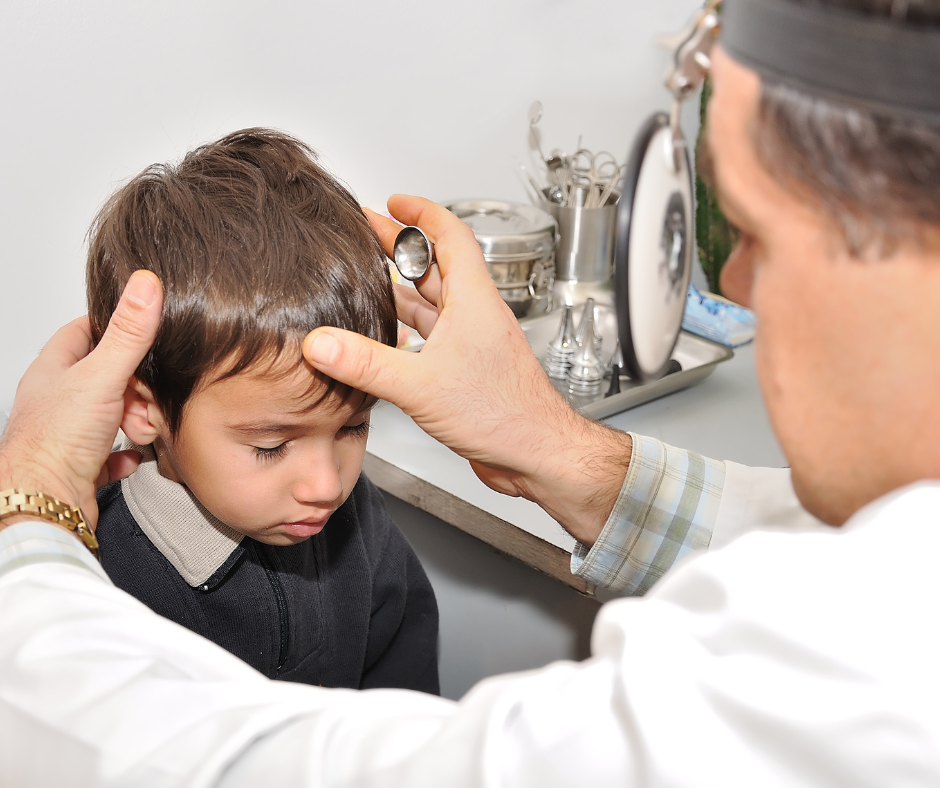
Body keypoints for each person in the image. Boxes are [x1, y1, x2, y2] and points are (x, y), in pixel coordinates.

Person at [3, 0, 940, 783]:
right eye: (271, 443)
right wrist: (554, 445)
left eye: (755, 235)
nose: (733, 289)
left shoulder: (862, 666)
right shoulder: (123, 564)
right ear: (144, 408)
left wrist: (28, 511)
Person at [87, 128, 439, 693]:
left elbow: (406, 691)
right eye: (271, 446)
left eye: (354, 426)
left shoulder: (355, 524)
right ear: (142, 408)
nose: (327, 485)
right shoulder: (100, 587)